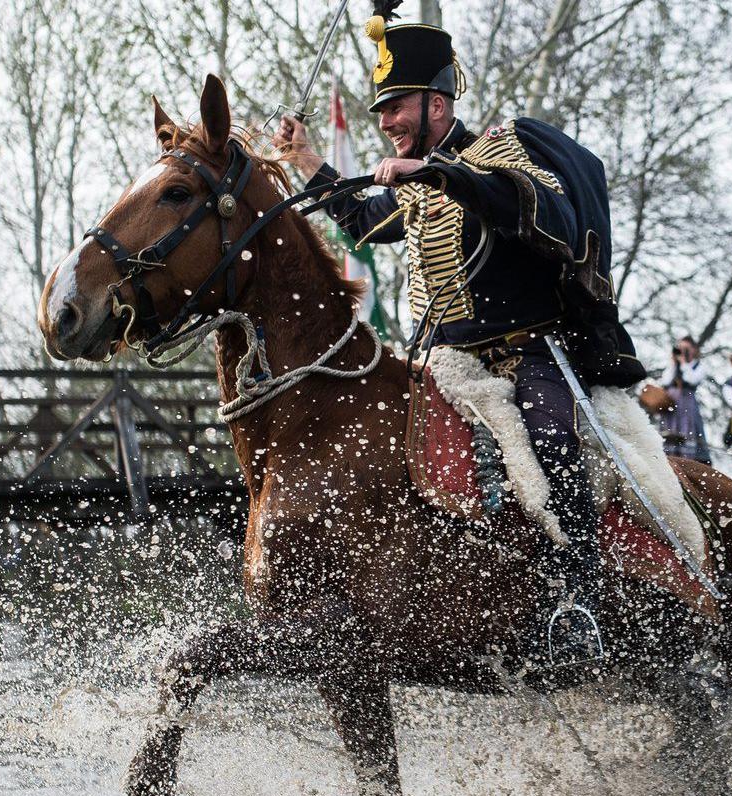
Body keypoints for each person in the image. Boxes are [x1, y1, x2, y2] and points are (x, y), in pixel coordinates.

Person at [276, 1, 645, 670]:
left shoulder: (504, 151)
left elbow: (532, 209)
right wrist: (305, 158)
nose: (384, 122)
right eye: (379, 111)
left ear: (437, 103)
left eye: (395, 107)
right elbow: (364, 221)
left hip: (530, 354)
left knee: (553, 442)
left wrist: (441, 173)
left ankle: (578, 604)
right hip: (445, 361)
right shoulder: (416, 178)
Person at [655, 336, 712, 465]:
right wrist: (674, 363)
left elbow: (692, 379)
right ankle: (670, 460)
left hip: (687, 405)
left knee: (687, 432)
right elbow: (665, 381)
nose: (682, 351)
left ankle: (688, 462)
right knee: (669, 434)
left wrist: (684, 363)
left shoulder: (697, 366)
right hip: (671, 405)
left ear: (693, 349)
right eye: (680, 348)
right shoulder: (674, 365)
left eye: (686, 348)